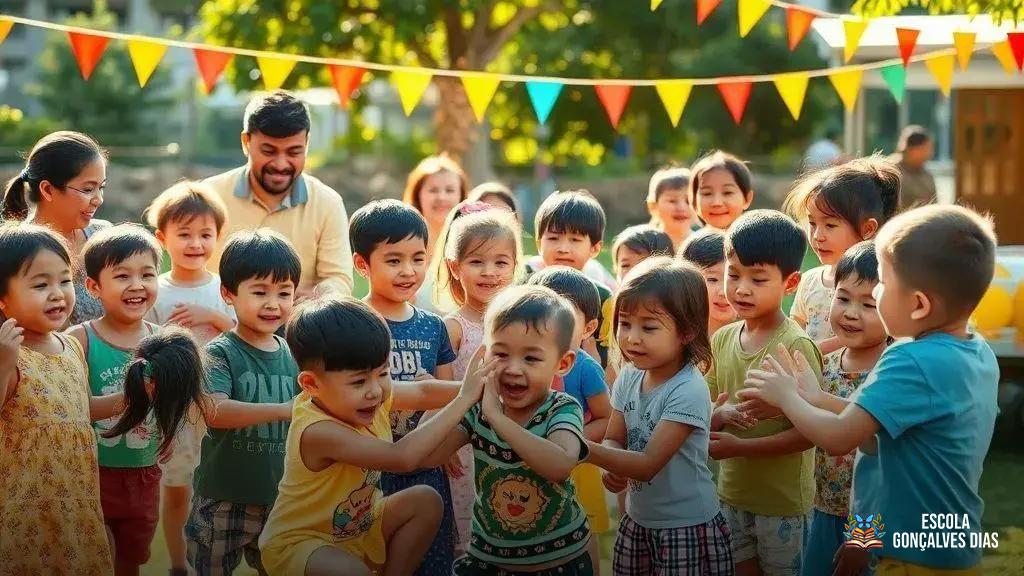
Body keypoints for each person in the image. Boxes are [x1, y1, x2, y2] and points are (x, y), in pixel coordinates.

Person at [743, 205, 999, 575]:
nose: (876, 293)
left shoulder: (908, 359)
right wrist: (817, 399)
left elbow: (839, 438)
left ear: (918, 305)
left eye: (882, 286)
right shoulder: (978, 352)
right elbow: (883, 449)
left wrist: (787, 396)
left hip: (910, 558)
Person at [0, 223, 207, 576]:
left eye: (64, 281)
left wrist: (140, 394)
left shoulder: (68, 347)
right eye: (40, 285)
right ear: (3, 299)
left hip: (76, 494)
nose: (57, 294)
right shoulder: (10, 353)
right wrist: (5, 360)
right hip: (27, 499)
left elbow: (84, 409)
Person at [258, 297, 495, 576]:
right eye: (359, 381)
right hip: (302, 541)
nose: (376, 390)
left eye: (383, 373)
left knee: (425, 500)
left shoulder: (368, 397)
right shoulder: (318, 430)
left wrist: (484, 387)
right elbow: (402, 458)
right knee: (352, 571)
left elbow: (423, 392)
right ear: (311, 384)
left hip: (359, 524)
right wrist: (465, 399)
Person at [421, 286, 596, 574]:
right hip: (487, 559)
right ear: (484, 354)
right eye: (501, 354)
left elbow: (560, 465)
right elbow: (425, 455)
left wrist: (497, 418)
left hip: (558, 562)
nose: (513, 368)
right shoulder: (477, 410)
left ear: (562, 363)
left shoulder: (561, 408)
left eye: (531, 358)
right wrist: (461, 398)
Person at [588, 257, 734, 575]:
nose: (632, 338)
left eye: (649, 327)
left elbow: (647, 465)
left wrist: (582, 449)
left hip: (685, 528)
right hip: (638, 520)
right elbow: (614, 437)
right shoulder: (629, 376)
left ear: (687, 332)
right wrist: (611, 462)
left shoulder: (688, 389)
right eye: (625, 324)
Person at [705, 210, 822, 576]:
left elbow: (811, 432)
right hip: (731, 495)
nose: (741, 288)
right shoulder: (723, 339)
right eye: (733, 274)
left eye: (758, 279)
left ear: (790, 283)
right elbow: (706, 405)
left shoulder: (795, 347)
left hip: (783, 505)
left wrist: (741, 447)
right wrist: (716, 416)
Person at [349, 199, 458, 575]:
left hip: (427, 464)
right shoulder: (351, 323)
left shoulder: (434, 326)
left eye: (418, 258)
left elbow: (446, 396)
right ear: (362, 264)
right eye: (394, 260)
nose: (408, 271)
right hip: (366, 468)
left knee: (431, 559)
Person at [186, 230, 301, 576]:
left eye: (284, 293)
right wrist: (282, 410)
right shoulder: (220, 353)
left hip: (280, 497)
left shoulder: (295, 355)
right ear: (228, 293)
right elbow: (215, 411)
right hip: (223, 497)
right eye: (260, 292)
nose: (273, 304)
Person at [144, 181, 235, 576]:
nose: (196, 243)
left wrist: (212, 317)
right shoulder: (155, 291)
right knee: (178, 486)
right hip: (175, 408)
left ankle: (216, 557)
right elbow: (144, 343)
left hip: (220, 403)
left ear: (218, 236)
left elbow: (246, 333)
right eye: (184, 234)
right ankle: (178, 561)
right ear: (162, 238)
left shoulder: (224, 289)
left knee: (217, 487)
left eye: (205, 234)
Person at [66, 224, 163, 576]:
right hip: (93, 472)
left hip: (144, 472)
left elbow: (172, 404)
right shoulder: (79, 340)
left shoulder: (162, 342)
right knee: (97, 555)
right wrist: (133, 398)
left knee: (132, 558)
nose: (137, 285)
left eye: (147, 275)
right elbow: (75, 409)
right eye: (122, 276)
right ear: (93, 287)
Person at [433, 200, 523, 555]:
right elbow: (440, 393)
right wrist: (443, 442)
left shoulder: (522, 324)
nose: (490, 272)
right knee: (471, 529)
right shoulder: (453, 327)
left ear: (514, 265)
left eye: (500, 262)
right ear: (455, 267)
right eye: (476, 262)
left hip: (513, 438)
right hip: (466, 444)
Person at [204, 90, 354, 303]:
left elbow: (339, 279)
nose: (281, 164)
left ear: (307, 143)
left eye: (294, 152)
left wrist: (310, 299)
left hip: (297, 318)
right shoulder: (210, 197)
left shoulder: (328, 203)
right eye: (269, 151)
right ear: (246, 142)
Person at [797, 241, 887, 576]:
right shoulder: (825, 365)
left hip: (873, 518)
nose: (850, 312)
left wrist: (863, 539)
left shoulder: (891, 372)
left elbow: (883, 459)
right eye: (843, 298)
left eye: (869, 304)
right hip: (823, 507)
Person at [526, 266, 613, 553]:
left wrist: (570, 444)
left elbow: (606, 418)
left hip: (578, 466)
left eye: (565, 319)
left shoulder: (586, 368)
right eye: (542, 315)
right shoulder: (522, 363)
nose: (551, 327)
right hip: (530, 464)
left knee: (583, 532)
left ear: (588, 328)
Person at [783, 156, 901, 355]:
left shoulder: (880, 282)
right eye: (812, 224)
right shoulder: (810, 281)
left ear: (868, 229)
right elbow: (795, 332)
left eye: (830, 225)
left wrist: (813, 352)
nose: (817, 236)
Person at [1, 131, 111, 325]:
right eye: (88, 189)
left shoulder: (103, 237)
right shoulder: (14, 248)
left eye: (101, 188)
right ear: (47, 190)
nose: (98, 200)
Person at [528, 190, 614, 366]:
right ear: (538, 244)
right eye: (553, 238)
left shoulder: (603, 298)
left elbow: (605, 359)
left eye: (575, 240)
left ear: (595, 248)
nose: (563, 249)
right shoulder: (525, 291)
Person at [404, 155, 469, 312]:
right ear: (417, 195)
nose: (441, 197)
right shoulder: (402, 244)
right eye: (433, 190)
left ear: (461, 196)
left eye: (449, 190)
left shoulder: (471, 245)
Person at [678, 228, 737, 339]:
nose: (723, 292)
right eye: (712, 279)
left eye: (733, 278)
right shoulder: (675, 337)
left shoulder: (759, 337)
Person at [688, 150, 754, 231]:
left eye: (727, 192)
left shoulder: (761, 237)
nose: (717, 203)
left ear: (747, 199)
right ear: (694, 201)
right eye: (707, 193)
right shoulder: (689, 238)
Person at [646, 166, 698, 251]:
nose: (681, 207)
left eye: (688, 201)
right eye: (672, 201)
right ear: (653, 206)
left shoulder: (705, 245)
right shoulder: (645, 246)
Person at [892, 125, 937, 210]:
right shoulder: (891, 172)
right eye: (927, 149)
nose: (931, 154)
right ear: (914, 150)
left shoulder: (926, 174)